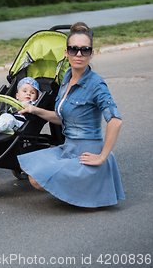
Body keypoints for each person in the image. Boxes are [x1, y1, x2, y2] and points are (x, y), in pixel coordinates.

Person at [17, 22, 125, 209]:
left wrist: (101, 157)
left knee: (35, 180)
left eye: (85, 50)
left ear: (92, 53)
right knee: (25, 166)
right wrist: (35, 110)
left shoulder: (96, 85)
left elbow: (115, 121)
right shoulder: (66, 78)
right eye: (74, 50)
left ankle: (85, 188)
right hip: (68, 148)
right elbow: (62, 118)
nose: (79, 54)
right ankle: (74, 187)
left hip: (87, 153)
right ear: (66, 53)